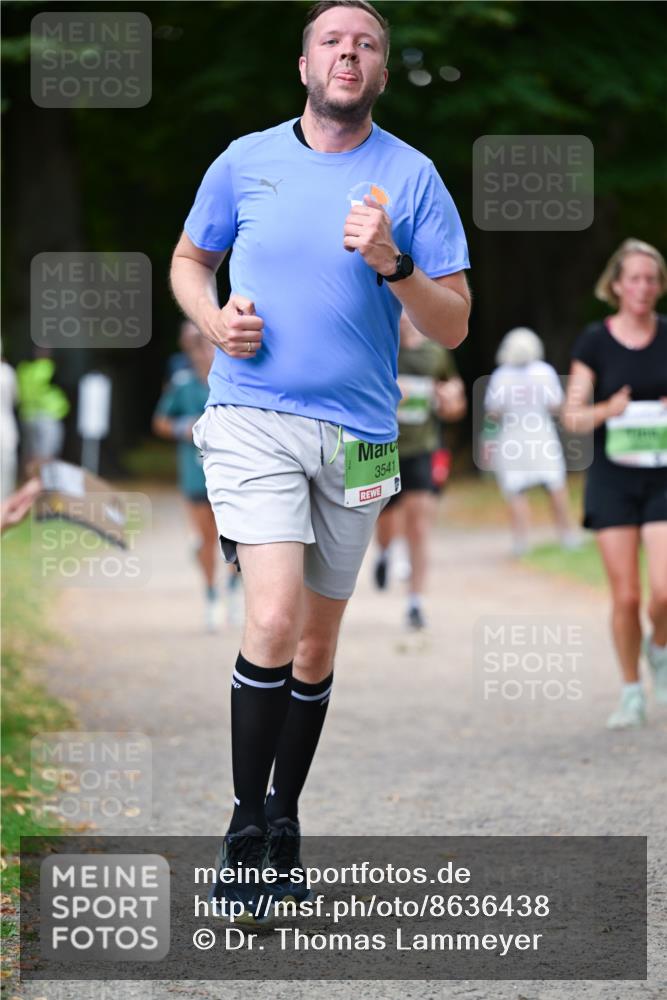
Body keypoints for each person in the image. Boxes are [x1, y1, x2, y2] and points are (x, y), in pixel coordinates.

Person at [170, 0, 470, 920]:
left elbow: (453, 323)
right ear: (304, 66)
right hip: (251, 416)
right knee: (270, 619)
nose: (348, 53)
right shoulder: (244, 160)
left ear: (380, 71)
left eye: (366, 44)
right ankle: (241, 831)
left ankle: (283, 818)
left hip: (361, 434)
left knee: (313, 642)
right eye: (331, 41)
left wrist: (393, 264)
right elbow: (188, 261)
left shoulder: (412, 177)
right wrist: (212, 318)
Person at [563, 239, 667, 729]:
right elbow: (573, 416)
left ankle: (658, 647)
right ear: (617, 285)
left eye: (652, 279)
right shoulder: (594, 342)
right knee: (626, 597)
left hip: (663, 477)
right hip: (613, 481)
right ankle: (630, 692)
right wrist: (609, 409)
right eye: (635, 278)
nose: (644, 287)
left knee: (664, 592)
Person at [373, 310, 467, 629]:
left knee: (419, 526)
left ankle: (415, 602)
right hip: (383, 448)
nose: (402, 318)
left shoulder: (435, 353)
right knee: (385, 521)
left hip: (423, 449)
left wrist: (449, 401)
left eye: (407, 313)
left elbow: (455, 404)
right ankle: (384, 553)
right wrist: (390, 391)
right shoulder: (380, 346)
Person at [153, 330, 239, 631]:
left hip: (233, 473)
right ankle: (212, 593)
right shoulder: (183, 384)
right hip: (195, 473)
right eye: (199, 349)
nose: (205, 354)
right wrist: (183, 427)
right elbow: (160, 422)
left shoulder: (235, 382)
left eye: (210, 348)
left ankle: (234, 588)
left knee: (236, 536)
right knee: (204, 538)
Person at [485, 327, 579, 556]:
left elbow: (493, 412)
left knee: (516, 489)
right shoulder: (544, 372)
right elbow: (556, 404)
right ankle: (567, 535)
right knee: (555, 484)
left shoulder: (500, 376)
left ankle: (521, 542)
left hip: (512, 437)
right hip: (541, 434)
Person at [16, 350, 69, 471]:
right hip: (48, 415)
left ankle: (29, 478)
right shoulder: (49, 368)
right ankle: (44, 480)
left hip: (27, 415)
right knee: (47, 454)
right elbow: (62, 385)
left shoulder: (24, 369)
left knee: (30, 454)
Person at [0, 343, 19, 500]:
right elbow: (15, 398)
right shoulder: (8, 372)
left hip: (6, 424)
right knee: (7, 466)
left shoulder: (7, 372)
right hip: (6, 424)